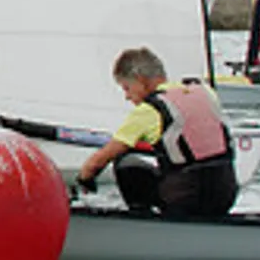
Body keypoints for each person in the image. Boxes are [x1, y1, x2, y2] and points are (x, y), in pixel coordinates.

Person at [76, 47, 237, 217]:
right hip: (225, 194)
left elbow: (98, 162)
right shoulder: (204, 92)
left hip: (185, 201)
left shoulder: (150, 109)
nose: (127, 97)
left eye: (127, 88)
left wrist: (84, 180)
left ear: (141, 81)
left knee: (126, 163)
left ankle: (142, 220)